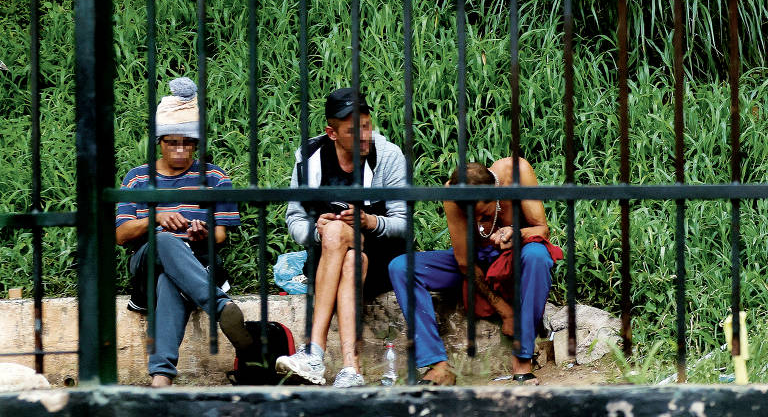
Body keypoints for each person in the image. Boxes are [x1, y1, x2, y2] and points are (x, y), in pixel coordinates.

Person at [115, 77, 253, 387]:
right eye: (172, 142)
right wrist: (157, 219)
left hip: (197, 261)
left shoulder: (214, 177)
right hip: (145, 266)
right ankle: (220, 306)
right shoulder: (137, 178)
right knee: (163, 241)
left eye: (188, 143)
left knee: (170, 279)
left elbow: (220, 237)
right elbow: (122, 235)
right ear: (159, 141)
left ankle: (161, 376)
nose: (181, 150)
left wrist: (203, 233)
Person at [388, 159, 562, 385]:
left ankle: (522, 360)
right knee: (401, 267)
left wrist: (515, 232)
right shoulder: (452, 192)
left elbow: (542, 230)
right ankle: (439, 366)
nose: (479, 224)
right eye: (472, 217)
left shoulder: (515, 172)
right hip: (477, 261)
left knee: (538, 255)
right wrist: (506, 312)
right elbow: (464, 262)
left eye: (485, 216)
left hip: (516, 256)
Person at [276, 87, 407, 387]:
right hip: (333, 259)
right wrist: (315, 230)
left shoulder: (387, 156)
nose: (364, 136)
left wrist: (370, 221)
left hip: (380, 260)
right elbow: (294, 218)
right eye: (353, 131)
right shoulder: (309, 159)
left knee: (339, 236)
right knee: (345, 252)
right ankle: (351, 367)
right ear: (332, 133)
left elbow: (404, 223)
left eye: (366, 125)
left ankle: (314, 352)